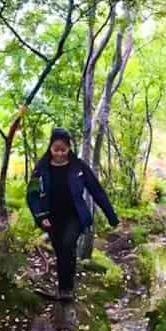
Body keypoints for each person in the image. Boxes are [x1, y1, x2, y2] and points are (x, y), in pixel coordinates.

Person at [27, 127, 119, 303]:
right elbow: (31, 195)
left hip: (75, 215)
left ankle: (67, 290)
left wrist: (111, 216)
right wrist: (40, 216)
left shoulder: (78, 167)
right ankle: (63, 290)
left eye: (63, 149)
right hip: (51, 217)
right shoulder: (41, 168)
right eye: (56, 149)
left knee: (69, 244)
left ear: (69, 148)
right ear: (50, 148)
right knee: (61, 250)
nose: (59, 153)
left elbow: (96, 190)